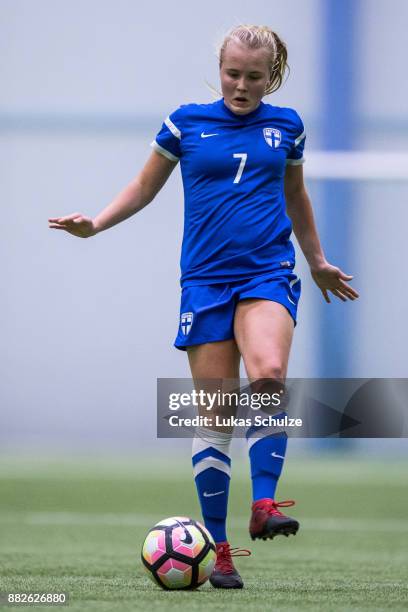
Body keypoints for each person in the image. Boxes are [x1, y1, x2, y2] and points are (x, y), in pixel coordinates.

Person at [48, 24, 359, 589]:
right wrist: (96, 223)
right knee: (215, 415)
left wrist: (315, 260)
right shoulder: (184, 122)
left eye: (254, 77)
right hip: (205, 282)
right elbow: (144, 188)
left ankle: (264, 502)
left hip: (267, 271)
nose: (241, 85)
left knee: (267, 375)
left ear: (273, 76)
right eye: (233, 73)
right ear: (220, 70)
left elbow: (296, 196)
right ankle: (220, 555)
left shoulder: (287, 127)